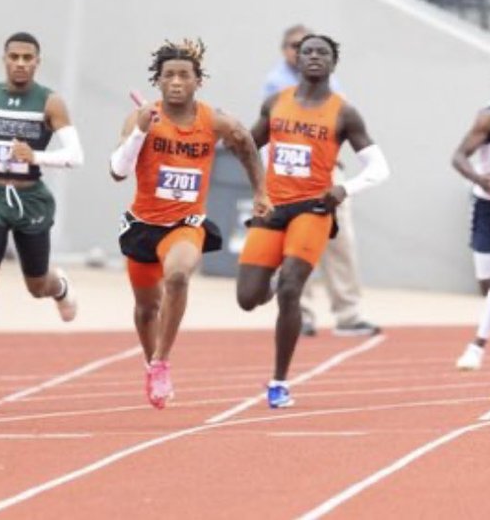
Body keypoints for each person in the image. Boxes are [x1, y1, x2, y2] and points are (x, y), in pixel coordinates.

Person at [111, 39, 270, 409]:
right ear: (159, 81)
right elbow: (118, 172)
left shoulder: (213, 121)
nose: (177, 82)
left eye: (185, 75)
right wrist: (140, 133)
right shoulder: (142, 118)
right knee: (146, 309)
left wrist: (261, 190)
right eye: (169, 76)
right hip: (142, 224)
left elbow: (245, 143)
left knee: (179, 275)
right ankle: (152, 363)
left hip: (185, 223)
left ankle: (162, 361)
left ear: (198, 81)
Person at [236, 34, 391, 409]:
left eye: (323, 53)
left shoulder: (344, 112)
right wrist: (252, 174)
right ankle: (272, 280)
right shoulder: (276, 102)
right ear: (297, 60)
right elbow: (246, 145)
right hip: (272, 208)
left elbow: (379, 167)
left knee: (291, 289)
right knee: (248, 298)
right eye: (308, 52)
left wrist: (344, 189)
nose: (315, 57)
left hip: (314, 208)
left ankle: (279, 382)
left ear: (333, 63)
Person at [0, 32, 84, 387]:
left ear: (37, 62)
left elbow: (75, 155)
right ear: (4, 59)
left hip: (31, 200)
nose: (21, 64)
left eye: (28, 58)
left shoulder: (50, 102)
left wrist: (36, 156)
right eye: (15, 57)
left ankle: (60, 288)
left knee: (36, 284)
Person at [263, 24, 379, 338]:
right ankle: (299, 314)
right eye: (296, 46)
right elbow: (270, 134)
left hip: (328, 172)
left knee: (340, 242)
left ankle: (349, 313)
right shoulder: (276, 86)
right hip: (289, 177)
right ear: (288, 52)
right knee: (294, 246)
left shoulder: (332, 85)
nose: (308, 54)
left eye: (317, 50)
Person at [452, 61, 490, 371]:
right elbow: (458, 156)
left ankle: (476, 347)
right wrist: (478, 178)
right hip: (487, 206)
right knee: (487, 287)